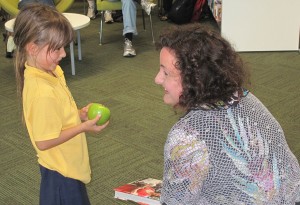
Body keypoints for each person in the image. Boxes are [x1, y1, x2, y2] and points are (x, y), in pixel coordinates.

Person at [154, 23, 300, 204]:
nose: (157, 79)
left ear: (194, 79)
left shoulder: (185, 136)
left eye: (166, 73)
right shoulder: (245, 98)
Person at [13, 4, 109, 204]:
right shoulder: (42, 92)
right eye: (56, 48)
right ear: (32, 48)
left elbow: (56, 115)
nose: (64, 54)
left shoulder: (49, 71)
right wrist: (83, 127)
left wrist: (77, 114)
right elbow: (44, 141)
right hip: (61, 175)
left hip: (68, 167)